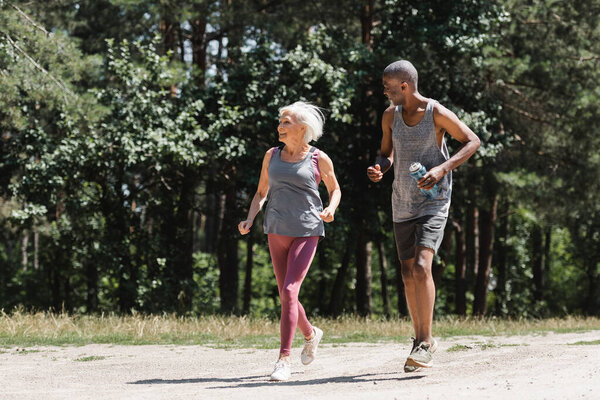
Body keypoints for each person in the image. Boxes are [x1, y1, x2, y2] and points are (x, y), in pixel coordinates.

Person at [367, 60, 480, 372]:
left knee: (420, 266)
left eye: (388, 86)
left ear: (405, 86)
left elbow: (472, 141)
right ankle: (419, 340)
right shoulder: (390, 115)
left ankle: (426, 341)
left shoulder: (436, 113)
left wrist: (443, 167)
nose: (384, 91)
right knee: (405, 273)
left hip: (434, 200)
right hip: (401, 200)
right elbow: (387, 152)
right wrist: (380, 168)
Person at [238, 101, 341, 381]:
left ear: (302, 128)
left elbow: (335, 189)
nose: (280, 126)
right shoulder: (271, 155)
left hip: (307, 229)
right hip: (276, 228)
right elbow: (261, 192)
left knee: (290, 290)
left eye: (286, 122)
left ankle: (283, 359)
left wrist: (331, 209)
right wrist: (250, 219)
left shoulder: (319, 158)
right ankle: (311, 333)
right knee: (286, 293)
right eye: (280, 121)